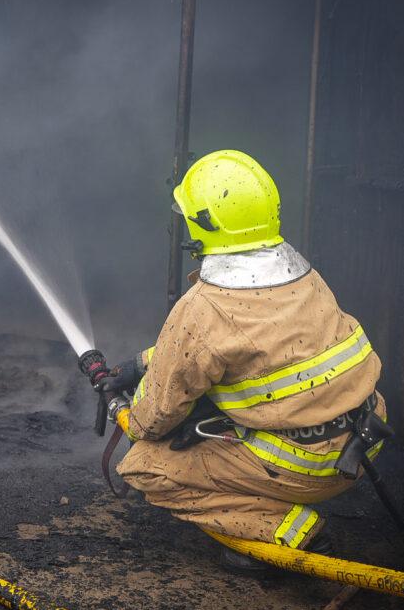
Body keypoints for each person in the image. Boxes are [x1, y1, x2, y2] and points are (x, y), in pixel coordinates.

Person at [100, 149, 386, 572]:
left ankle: (285, 532)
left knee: (146, 467)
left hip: (305, 467)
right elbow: (249, 347)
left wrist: (126, 404)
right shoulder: (302, 275)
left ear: (204, 227)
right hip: (367, 439)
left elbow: (149, 421)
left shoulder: (203, 309)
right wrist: (145, 361)